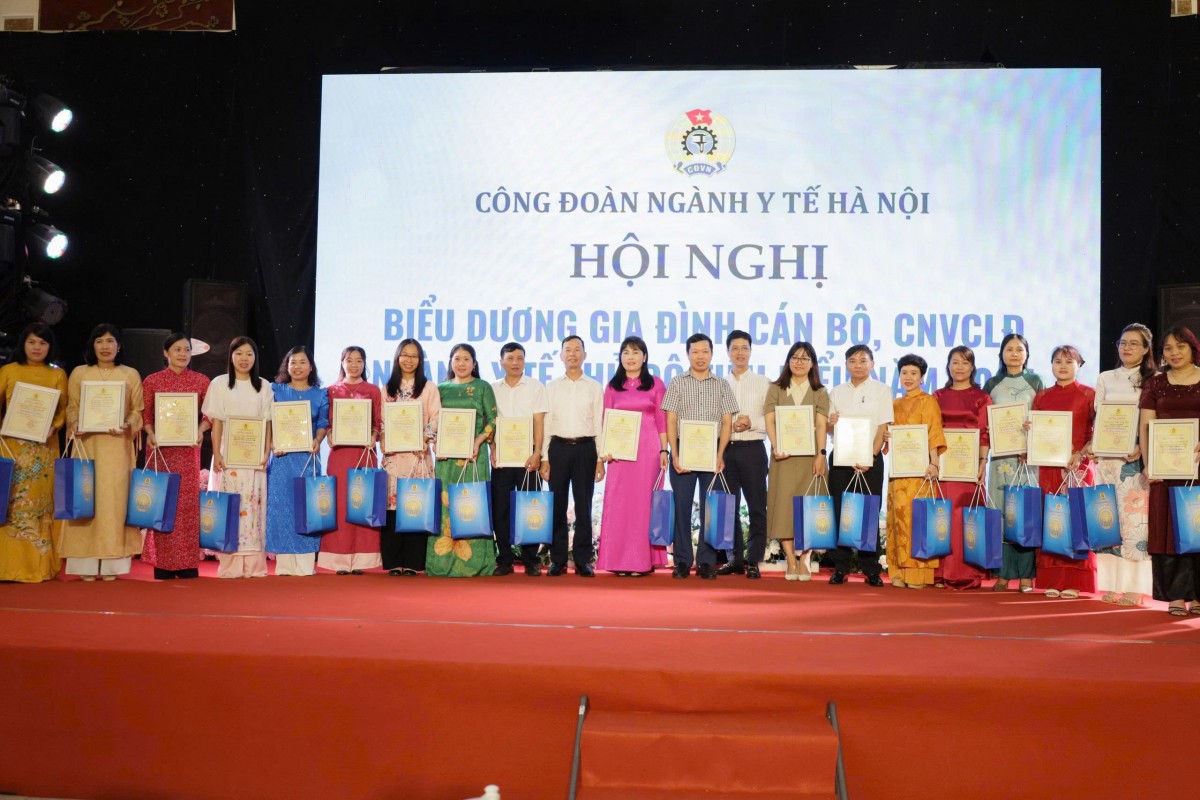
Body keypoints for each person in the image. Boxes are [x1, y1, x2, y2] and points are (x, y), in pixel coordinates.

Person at [59, 324, 144, 581]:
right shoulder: (79, 373)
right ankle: (84, 564)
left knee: (114, 502)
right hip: (87, 446)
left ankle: (112, 564)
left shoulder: (130, 374)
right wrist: (74, 421)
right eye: (99, 341)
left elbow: (137, 410)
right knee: (85, 498)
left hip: (117, 448)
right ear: (92, 345)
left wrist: (127, 424)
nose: (105, 346)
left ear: (119, 346)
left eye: (110, 341)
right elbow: (72, 406)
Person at [662, 332, 738, 580]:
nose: (700, 356)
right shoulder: (677, 382)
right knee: (682, 507)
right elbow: (670, 420)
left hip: (711, 451)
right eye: (695, 352)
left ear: (712, 354)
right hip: (683, 449)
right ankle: (682, 561)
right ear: (688, 354)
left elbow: (727, 422)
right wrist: (674, 453)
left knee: (710, 509)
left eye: (705, 351)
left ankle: (706, 561)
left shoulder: (721, 384)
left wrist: (720, 454)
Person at [1138, 326, 1200, 617]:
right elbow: (1146, 426)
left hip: (1198, 465)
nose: (1174, 353)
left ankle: (1198, 595)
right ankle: (1176, 595)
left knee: (1197, 525)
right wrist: (1149, 463)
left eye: (1180, 346)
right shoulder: (1156, 384)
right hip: (1165, 468)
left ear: (1192, 348)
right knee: (1169, 528)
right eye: (1168, 348)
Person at [1089, 324, 1154, 605]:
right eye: (1122, 342)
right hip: (1107, 461)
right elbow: (1099, 417)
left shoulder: (1153, 379)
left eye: (1134, 343)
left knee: (1134, 522)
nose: (1126, 348)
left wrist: (1142, 445)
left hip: (1134, 461)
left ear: (1146, 349)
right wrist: (1095, 445)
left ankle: (1134, 588)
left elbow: (1153, 420)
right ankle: (1112, 585)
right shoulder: (1105, 377)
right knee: (1108, 521)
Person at [140, 332, 211, 580]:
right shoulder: (152, 381)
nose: (182, 354)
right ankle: (163, 563)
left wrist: (201, 430)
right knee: (162, 503)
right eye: (177, 349)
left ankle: (187, 563)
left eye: (186, 349)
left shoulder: (201, 381)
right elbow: (146, 416)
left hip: (188, 449)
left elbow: (209, 415)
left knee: (187, 505)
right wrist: (150, 433)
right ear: (166, 352)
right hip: (161, 450)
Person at [0, 323, 68, 582]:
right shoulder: (8, 370)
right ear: (23, 344)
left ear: (50, 347)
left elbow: (63, 410)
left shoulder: (57, 374)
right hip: (12, 448)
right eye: (32, 342)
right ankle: (8, 566)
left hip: (43, 449)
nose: (37, 347)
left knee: (39, 504)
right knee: (11, 503)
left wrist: (54, 426)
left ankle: (38, 566)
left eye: (43, 343)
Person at [596, 336, 668, 576]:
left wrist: (664, 450)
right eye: (626, 352)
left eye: (636, 352)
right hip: (619, 455)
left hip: (648, 452)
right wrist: (604, 452)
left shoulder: (656, 384)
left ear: (644, 357)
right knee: (620, 505)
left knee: (643, 506)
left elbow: (662, 421)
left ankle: (640, 561)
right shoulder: (613, 386)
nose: (630, 357)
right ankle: (618, 560)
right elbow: (605, 420)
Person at [203, 336, 273, 578]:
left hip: (255, 459)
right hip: (228, 456)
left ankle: (254, 566)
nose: (244, 359)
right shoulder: (220, 384)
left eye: (249, 354)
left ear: (256, 358)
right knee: (230, 506)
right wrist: (216, 453)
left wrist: (267, 451)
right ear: (231, 356)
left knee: (253, 505)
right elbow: (217, 422)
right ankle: (230, 565)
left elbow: (267, 422)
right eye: (239, 353)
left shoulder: (264, 386)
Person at [1031, 345, 1096, 598]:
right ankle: (1052, 577)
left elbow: (1096, 432)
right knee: (1052, 518)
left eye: (1069, 361)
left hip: (1078, 464)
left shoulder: (1089, 394)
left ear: (1079, 365)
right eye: (1057, 361)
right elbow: (1037, 433)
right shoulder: (1042, 396)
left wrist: (1080, 455)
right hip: (1049, 466)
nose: (1063, 366)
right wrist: (1029, 430)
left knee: (1077, 520)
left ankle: (1076, 579)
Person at [429, 343, 499, 577]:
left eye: (466, 359)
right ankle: (442, 563)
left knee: (472, 505)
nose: (461, 363)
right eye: (457, 359)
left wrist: (478, 441)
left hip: (473, 457)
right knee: (446, 505)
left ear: (474, 363)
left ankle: (476, 563)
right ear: (450, 362)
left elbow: (493, 419)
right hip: (446, 459)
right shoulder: (440, 389)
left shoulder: (482, 387)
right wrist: (435, 442)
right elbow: (434, 421)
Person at [826, 344, 892, 586]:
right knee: (840, 512)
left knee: (868, 513)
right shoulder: (836, 392)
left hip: (870, 461)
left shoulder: (882, 390)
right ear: (846, 365)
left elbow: (883, 427)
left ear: (872, 364)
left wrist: (870, 457)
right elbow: (829, 429)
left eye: (863, 360)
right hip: (841, 459)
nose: (858, 365)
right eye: (852, 361)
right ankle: (840, 567)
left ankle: (870, 568)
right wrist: (831, 423)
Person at [982, 333, 1045, 593]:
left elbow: (1043, 417)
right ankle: (1004, 574)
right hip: (1000, 459)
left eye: (1020, 349)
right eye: (1009, 349)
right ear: (1002, 353)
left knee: (1025, 513)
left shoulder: (1035, 381)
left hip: (1027, 457)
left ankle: (1027, 575)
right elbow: (984, 419)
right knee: (1001, 513)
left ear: (1027, 354)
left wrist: (1033, 434)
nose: (1015, 354)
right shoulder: (992, 383)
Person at [763, 341, 829, 581]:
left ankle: (805, 558)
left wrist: (821, 454)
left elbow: (821, 424)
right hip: (783, 458)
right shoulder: (776, 388)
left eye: (805, 358)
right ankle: (790, 559)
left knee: (811, 508)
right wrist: (776, 446)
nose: (799, 362)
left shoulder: (820, 391)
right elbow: (770, 420)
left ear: (812, 364)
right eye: (795, 357)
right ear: (788, 360)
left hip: (811, 459)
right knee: (784, 507)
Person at [540, 335, 604, 577]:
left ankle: (582, 560)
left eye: (577, 350)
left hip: (586, 449)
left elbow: (599, 425)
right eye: (568, 350)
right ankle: (557, 559)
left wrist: (600, 458)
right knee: (557, 505)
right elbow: (546, 424)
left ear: (585, 355)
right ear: (561, 355)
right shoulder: (552, 387)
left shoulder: (594, 387)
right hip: (558, 448)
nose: (573, 354)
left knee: (584, 505)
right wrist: (544, 457)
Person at [931, 346, 992, 590]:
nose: (959, 367)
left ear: (972, 367)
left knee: (964, 517)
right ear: (948, 366)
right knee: (942, 516)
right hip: (944, 466)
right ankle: (939, 572)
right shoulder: (938, 395)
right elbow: (932, 431)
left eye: (965, 363)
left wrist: (982, 463)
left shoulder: (982, 397)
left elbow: (985, 433)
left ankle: (965, 572)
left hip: (968, 468)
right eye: (955, 362)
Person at [265, 346, 328, 576]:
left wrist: (318, 440)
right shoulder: (275, 390)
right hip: (282, 458)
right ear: (287, 366)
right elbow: (268, 421)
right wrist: (272, 443)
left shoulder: (320, 394)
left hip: (307, 458)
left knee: (307, 508)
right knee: (282, 507)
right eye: (293, 362)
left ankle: (305, 563)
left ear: (311, 367)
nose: (298, 367)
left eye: (303, 362)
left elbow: (322, 423)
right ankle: (284, 564)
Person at [886, 354, 947, 589]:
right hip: (898, 473)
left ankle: (917, 575)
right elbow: (888, 438)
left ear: (922, 377)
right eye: (904, 373)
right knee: (897, 520)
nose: (908, 377)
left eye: (914, 373)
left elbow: (934, 432)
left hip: (920, 473)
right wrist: (886, 436)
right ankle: (898, 572)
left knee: (917, 520)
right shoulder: (894, 404)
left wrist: (934, 463)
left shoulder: (928, 402)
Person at [322, 345, 383, 574]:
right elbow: (326, 422)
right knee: (339, 504)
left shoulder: (373, 390)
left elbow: (378, 422)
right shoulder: (331, 390)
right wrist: (329, 434)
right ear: (342, 363)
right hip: (340, 454)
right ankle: (338, 559)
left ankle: (362, 561)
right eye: (349, 360)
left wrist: (374, 435)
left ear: (364, 364)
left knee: (363, 503)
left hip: (364, 454)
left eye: (359, 360)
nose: (354, 365)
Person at [381, 339, 440, 576]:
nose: (409, 360)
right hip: (394, 457)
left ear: (420, 360)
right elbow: (382, 420)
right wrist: (384, 439)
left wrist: (425, 438)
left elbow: (436, 417)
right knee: (393, 507)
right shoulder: (387, 388)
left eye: (414, 356)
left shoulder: (429, 388)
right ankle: (394, 561)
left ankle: (414, 562)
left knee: (416, 505)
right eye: (405, 355)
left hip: (418, 456)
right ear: (397, 357)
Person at [717, 330, 771, 579]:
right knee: (729, 507)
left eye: (744, 348)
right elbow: (713, 420)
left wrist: (752, 423)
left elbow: (771, 419)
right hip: (726, 450)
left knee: (757, 507)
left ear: (751, 351)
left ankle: (753, 560)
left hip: (753, 449)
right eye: (735, 348)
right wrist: (727, 428)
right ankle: (735, 559)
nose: (740, 353)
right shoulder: (719, 384)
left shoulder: (764, 382)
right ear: (728, 352)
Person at [490, 341, 546, 576]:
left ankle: (531, 559)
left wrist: (538, 452)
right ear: (501, 362)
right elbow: (490, 424)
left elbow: (539, 422)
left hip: (528, 459)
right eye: (510, 358)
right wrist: (492, 448)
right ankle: (504, 559)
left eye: (520, 358)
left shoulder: (535, 386)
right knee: (500, 509)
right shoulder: (492, 388)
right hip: (502, 459)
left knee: (530, 508)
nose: (515, 362)